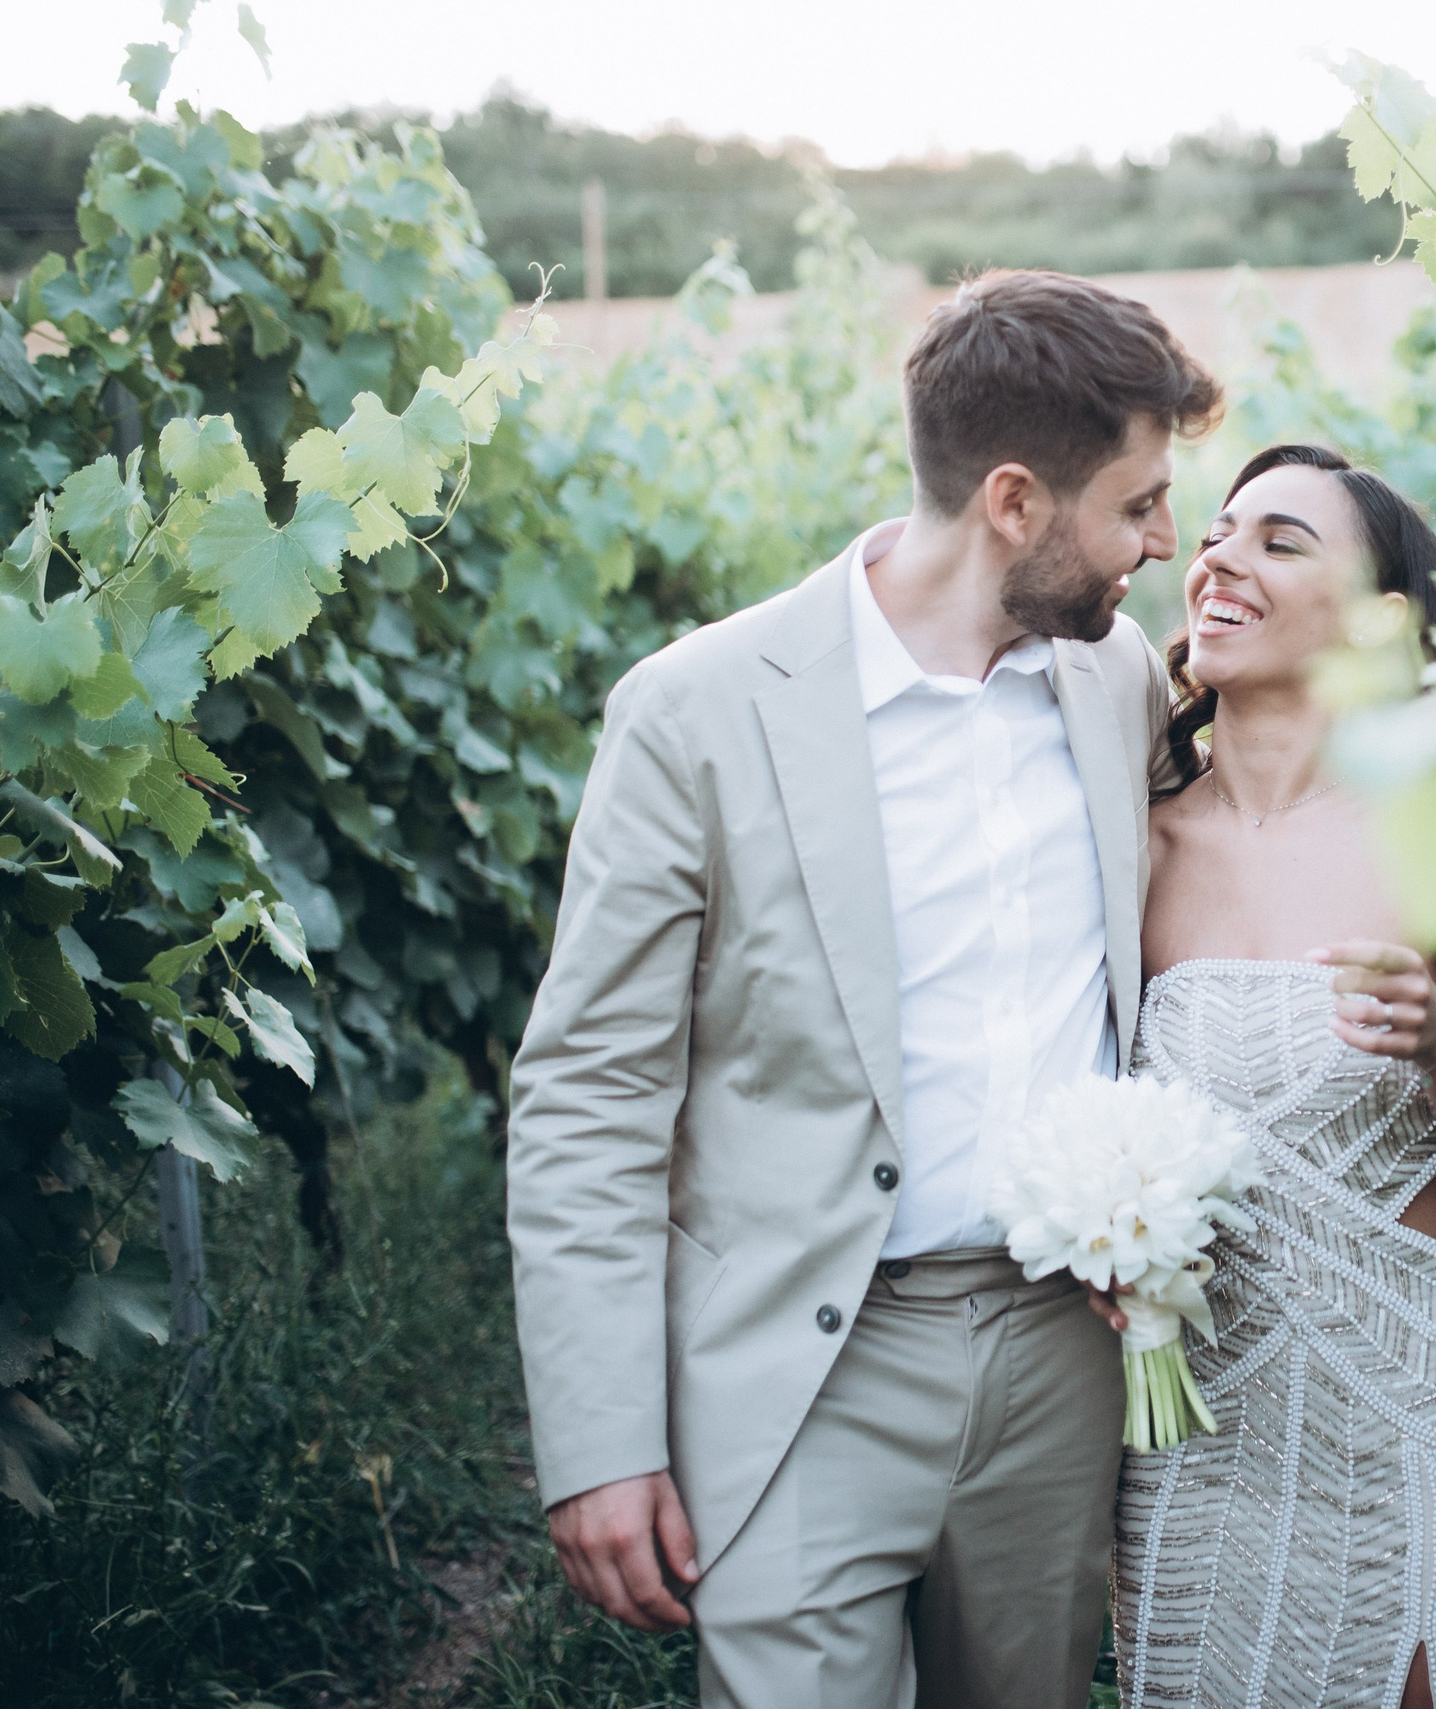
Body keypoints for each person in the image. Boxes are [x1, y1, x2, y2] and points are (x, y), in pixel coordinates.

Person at [504, 270, 1220, 1709]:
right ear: (1015, 503)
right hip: (801, 1359)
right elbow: (591, 1092)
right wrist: (600, 1438)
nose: (1163, 540)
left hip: (1058, 1357)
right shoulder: (697, 710)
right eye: (1137, 504)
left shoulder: (1118, 677)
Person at [1109, 444, 1436, 1709]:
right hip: (1196, 1418)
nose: (1218, 558)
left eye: (1279, 540)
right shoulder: (1127, 841)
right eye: (1218, 533)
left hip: (1408, 1402)